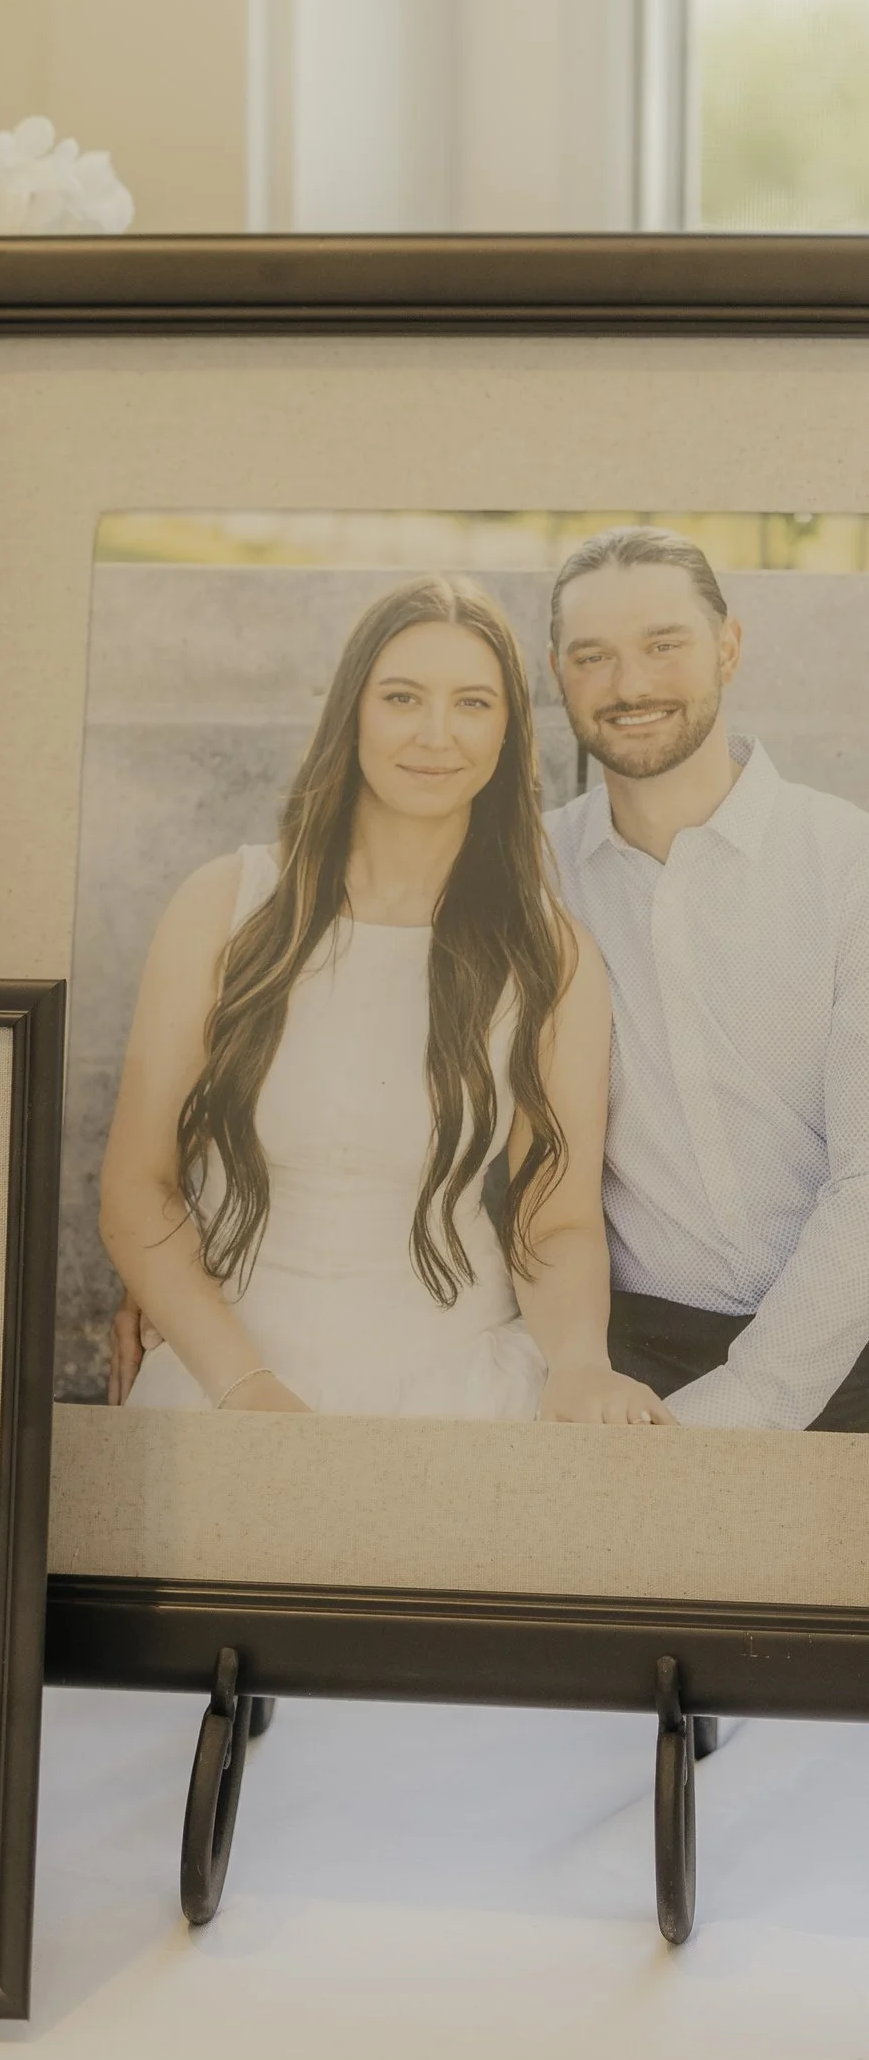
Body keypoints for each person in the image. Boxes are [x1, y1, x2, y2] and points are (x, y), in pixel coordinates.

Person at [101, 574, 665, 1424]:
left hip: (460, 1389)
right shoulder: (224, 906)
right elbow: (138, 1188)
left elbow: (556, 1223)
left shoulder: (550, 956)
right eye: (403, 696)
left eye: (472, 703)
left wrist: (581, 1366)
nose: (435, 735)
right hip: (224, 1387)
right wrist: (244, 1389)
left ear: (508, 730)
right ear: (351, 711)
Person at [544, 525, 869, 1430]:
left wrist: (742, 1408)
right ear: (557, 671)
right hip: (625, 1363)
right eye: (593, 656)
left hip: (851, 1343)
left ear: (728, 645)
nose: (630, 685)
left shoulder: (850, 864)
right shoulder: (534, 872)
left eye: (663, 645)